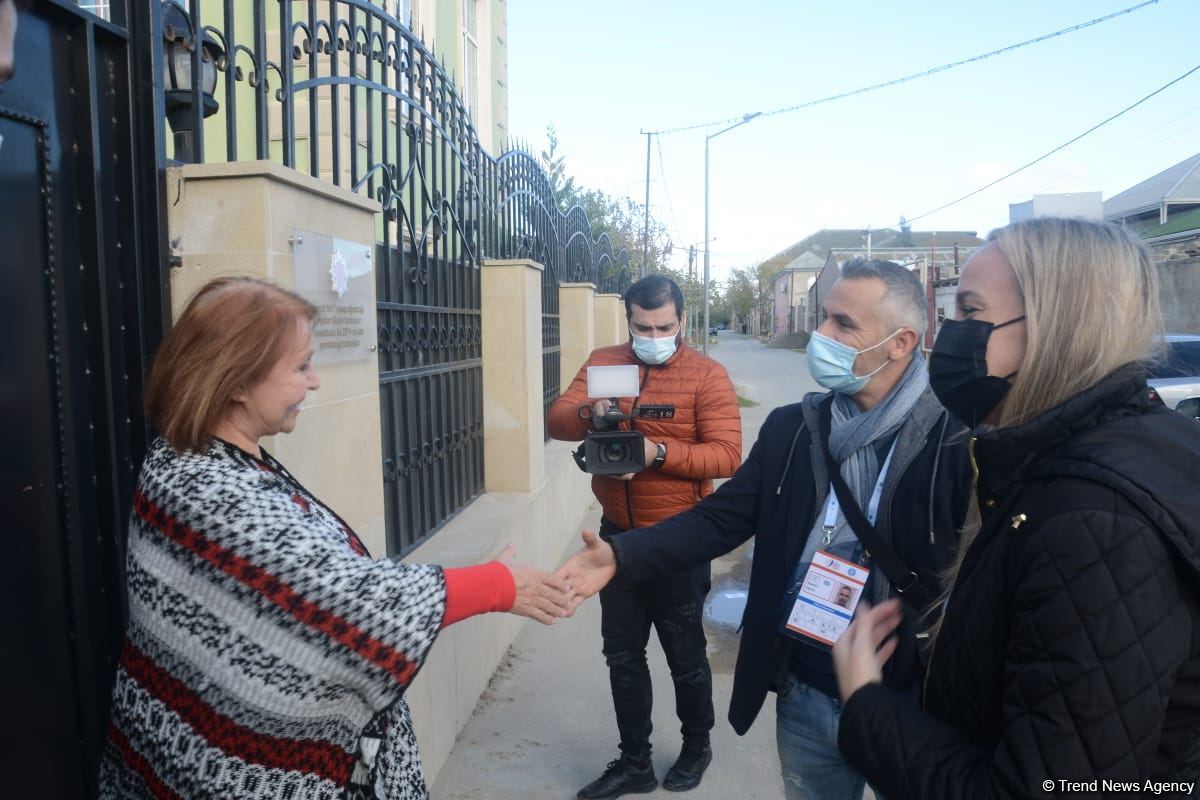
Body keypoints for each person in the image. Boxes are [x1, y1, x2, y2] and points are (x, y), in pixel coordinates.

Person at [99, 277, 573, 800]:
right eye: (300, 366)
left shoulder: (191, 458)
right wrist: (497, 587)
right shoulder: (206, 488)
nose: (316, 382)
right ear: (236, 380)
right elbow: (341, 601)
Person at [559, 259, 974, 800]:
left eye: (843, 324)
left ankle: (694, 743)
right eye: (823, 318)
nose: (821, 335)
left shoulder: (958, 444)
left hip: (914, 697)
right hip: (806, 681)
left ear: (901, 343)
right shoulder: (793, 429)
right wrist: (622, 556)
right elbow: (721, 518)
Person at [832, 217, 1200, 799]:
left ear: (1056, 326)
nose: (947, 336)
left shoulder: (1096, 519)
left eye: (971, 314)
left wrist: (867, 706)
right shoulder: (1082, 453)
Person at [547, 274, 742, 798]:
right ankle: (634, 761)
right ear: (628, 319)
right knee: (623, 655)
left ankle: (696, 745)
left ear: (680, 320)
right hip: (617, 540)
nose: (651, 334)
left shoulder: (706, 375)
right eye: (641, 326)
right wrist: (596, 411)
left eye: (663, 326)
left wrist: (657, 453)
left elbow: (726, 455)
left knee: (685, 655)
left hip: (680, 539)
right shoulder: (607, 361)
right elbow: (559, 420)